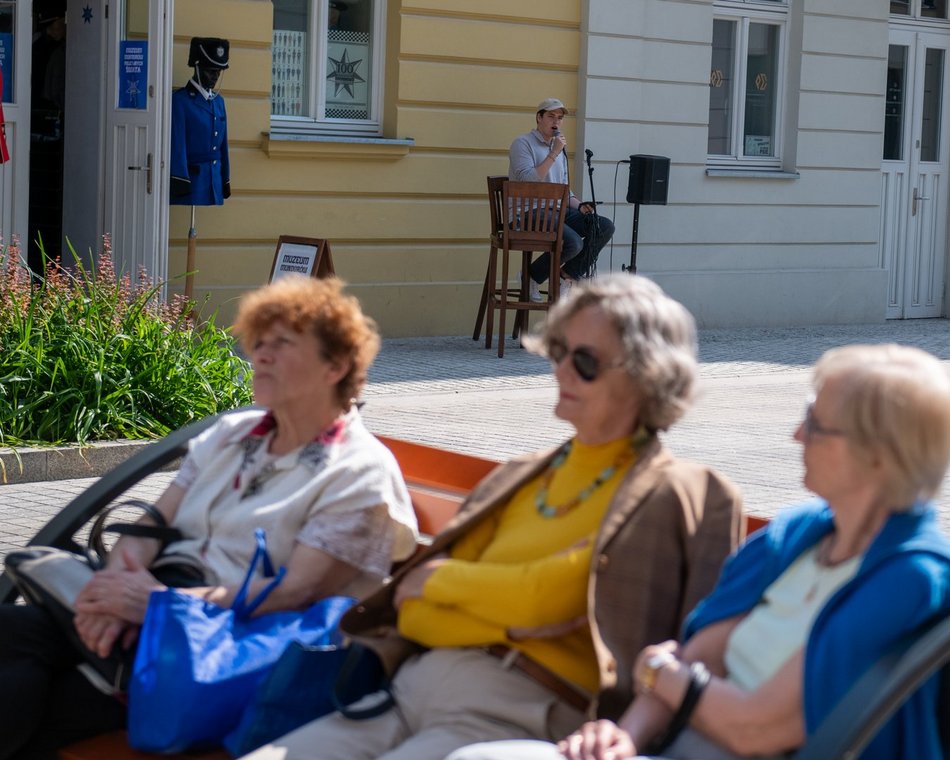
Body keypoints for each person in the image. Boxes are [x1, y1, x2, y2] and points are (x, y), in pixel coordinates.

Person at [241, 274, 743, 760]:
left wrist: (446, 585)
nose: (561, 370)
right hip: (403, 693)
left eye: (585, 361)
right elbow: (412, 611)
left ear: (645, 372)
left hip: (516, 717)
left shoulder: (681, 490)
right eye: (559, 350)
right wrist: (498, 606)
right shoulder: (522, 476)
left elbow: (553, 597)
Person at [448, 343, 950, 760]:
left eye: (816, 425)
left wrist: (667, 677)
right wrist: (624, 735)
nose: (796, 435)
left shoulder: (908, 575)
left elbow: (758, 729)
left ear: (880, 455)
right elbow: (694, 657)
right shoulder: (799, 535)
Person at [0, 275, 419, 759]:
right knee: (11, 632)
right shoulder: (234, 434)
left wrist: (157, 605)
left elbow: (296, 593)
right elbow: (155, 522)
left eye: (282, 344)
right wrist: (114, 592)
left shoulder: (359, 471)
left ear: (337, 366)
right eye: (258, 342)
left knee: (40, 691)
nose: (260, 355)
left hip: (224, 652)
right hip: (150, 616)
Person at [509, 98, 615, 303]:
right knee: (573, 242)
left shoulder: (559, 149)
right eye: (550, 116)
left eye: (560, 117)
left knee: (603, 226)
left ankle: (567, 275)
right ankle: (531, 276)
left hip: (556, 210)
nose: (555, 121)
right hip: (529, 212)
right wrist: (554, 152)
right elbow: (528, 180)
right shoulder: (522, 143)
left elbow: (564, 190)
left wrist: (579, 205)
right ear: (539, 118)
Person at [170, 37, 231, 206]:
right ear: (197, 68)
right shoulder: (180, 101)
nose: (215, 77)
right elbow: (177, 145)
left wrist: (225, 179)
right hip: (194, 179)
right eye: (210, 71)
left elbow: (223, 146)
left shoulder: (219, 102)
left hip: (214, 180)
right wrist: (180, 179)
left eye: (218, 72)